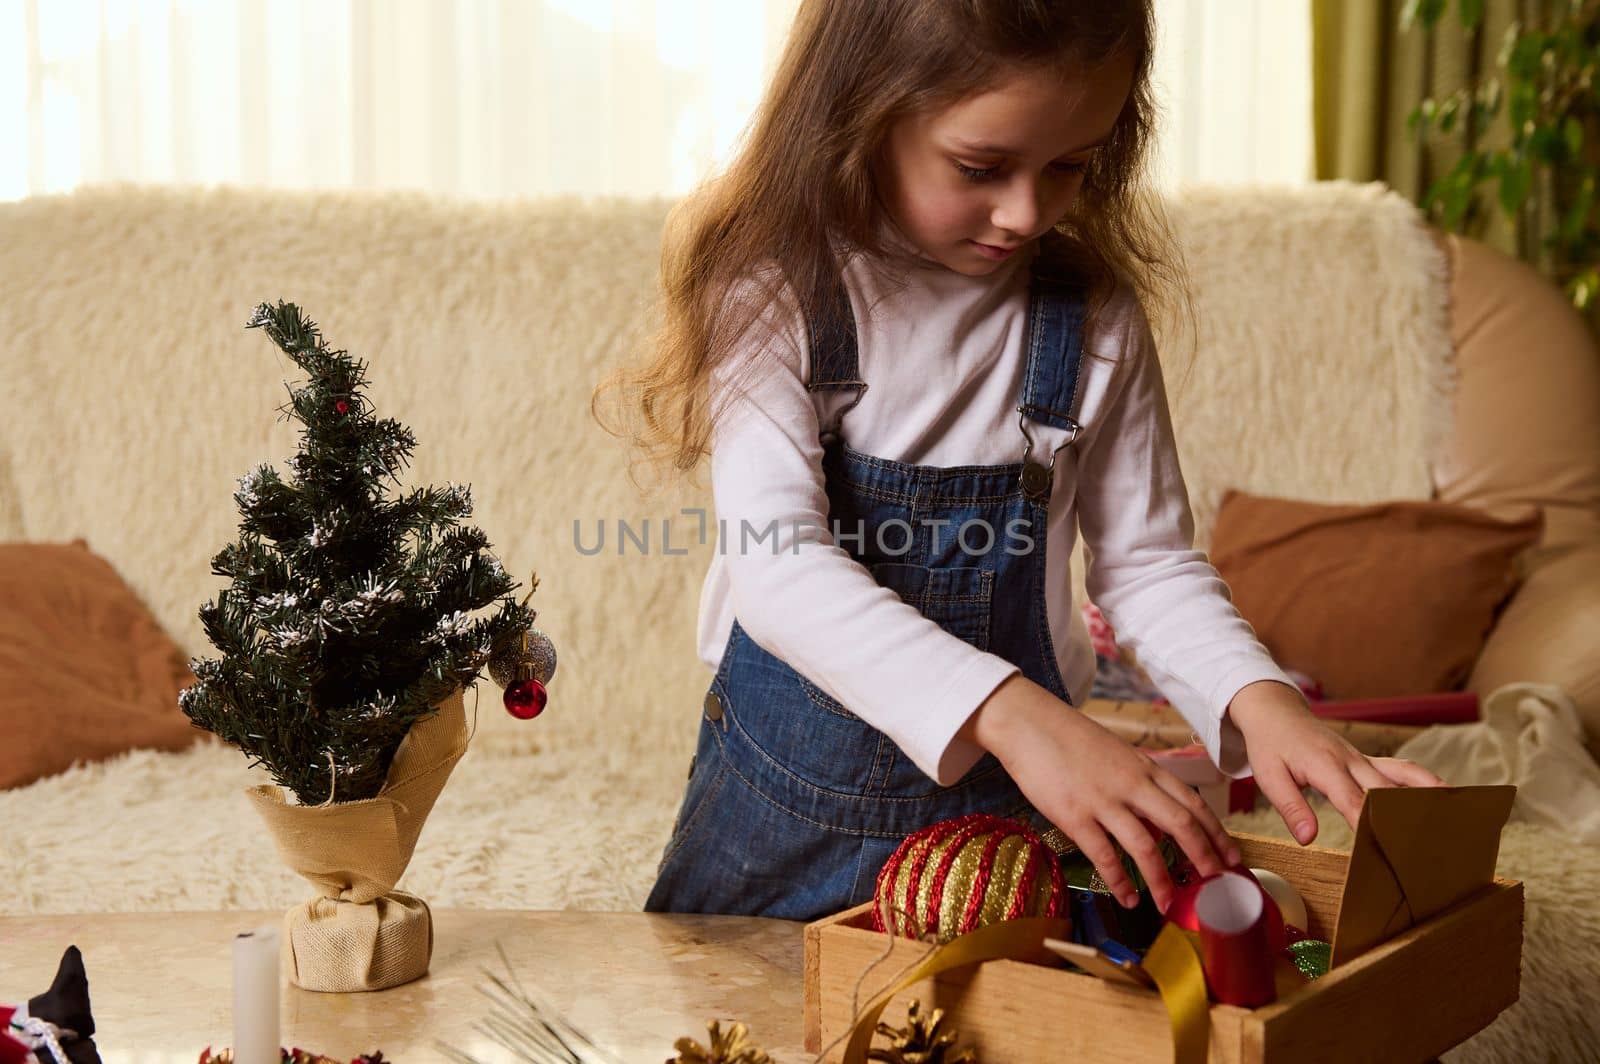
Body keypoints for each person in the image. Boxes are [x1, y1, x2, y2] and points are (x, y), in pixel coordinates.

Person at [594, 0, 1445, 923]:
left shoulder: (1095, 318)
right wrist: (1018, 716)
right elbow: (779, 564)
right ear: (864, 114)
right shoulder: (776, 294)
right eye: (980, 167)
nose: (1024, 211)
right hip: (787, 813)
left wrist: (1261, 701)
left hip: (1020, 812)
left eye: (1070, 165)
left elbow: (1149, 564)